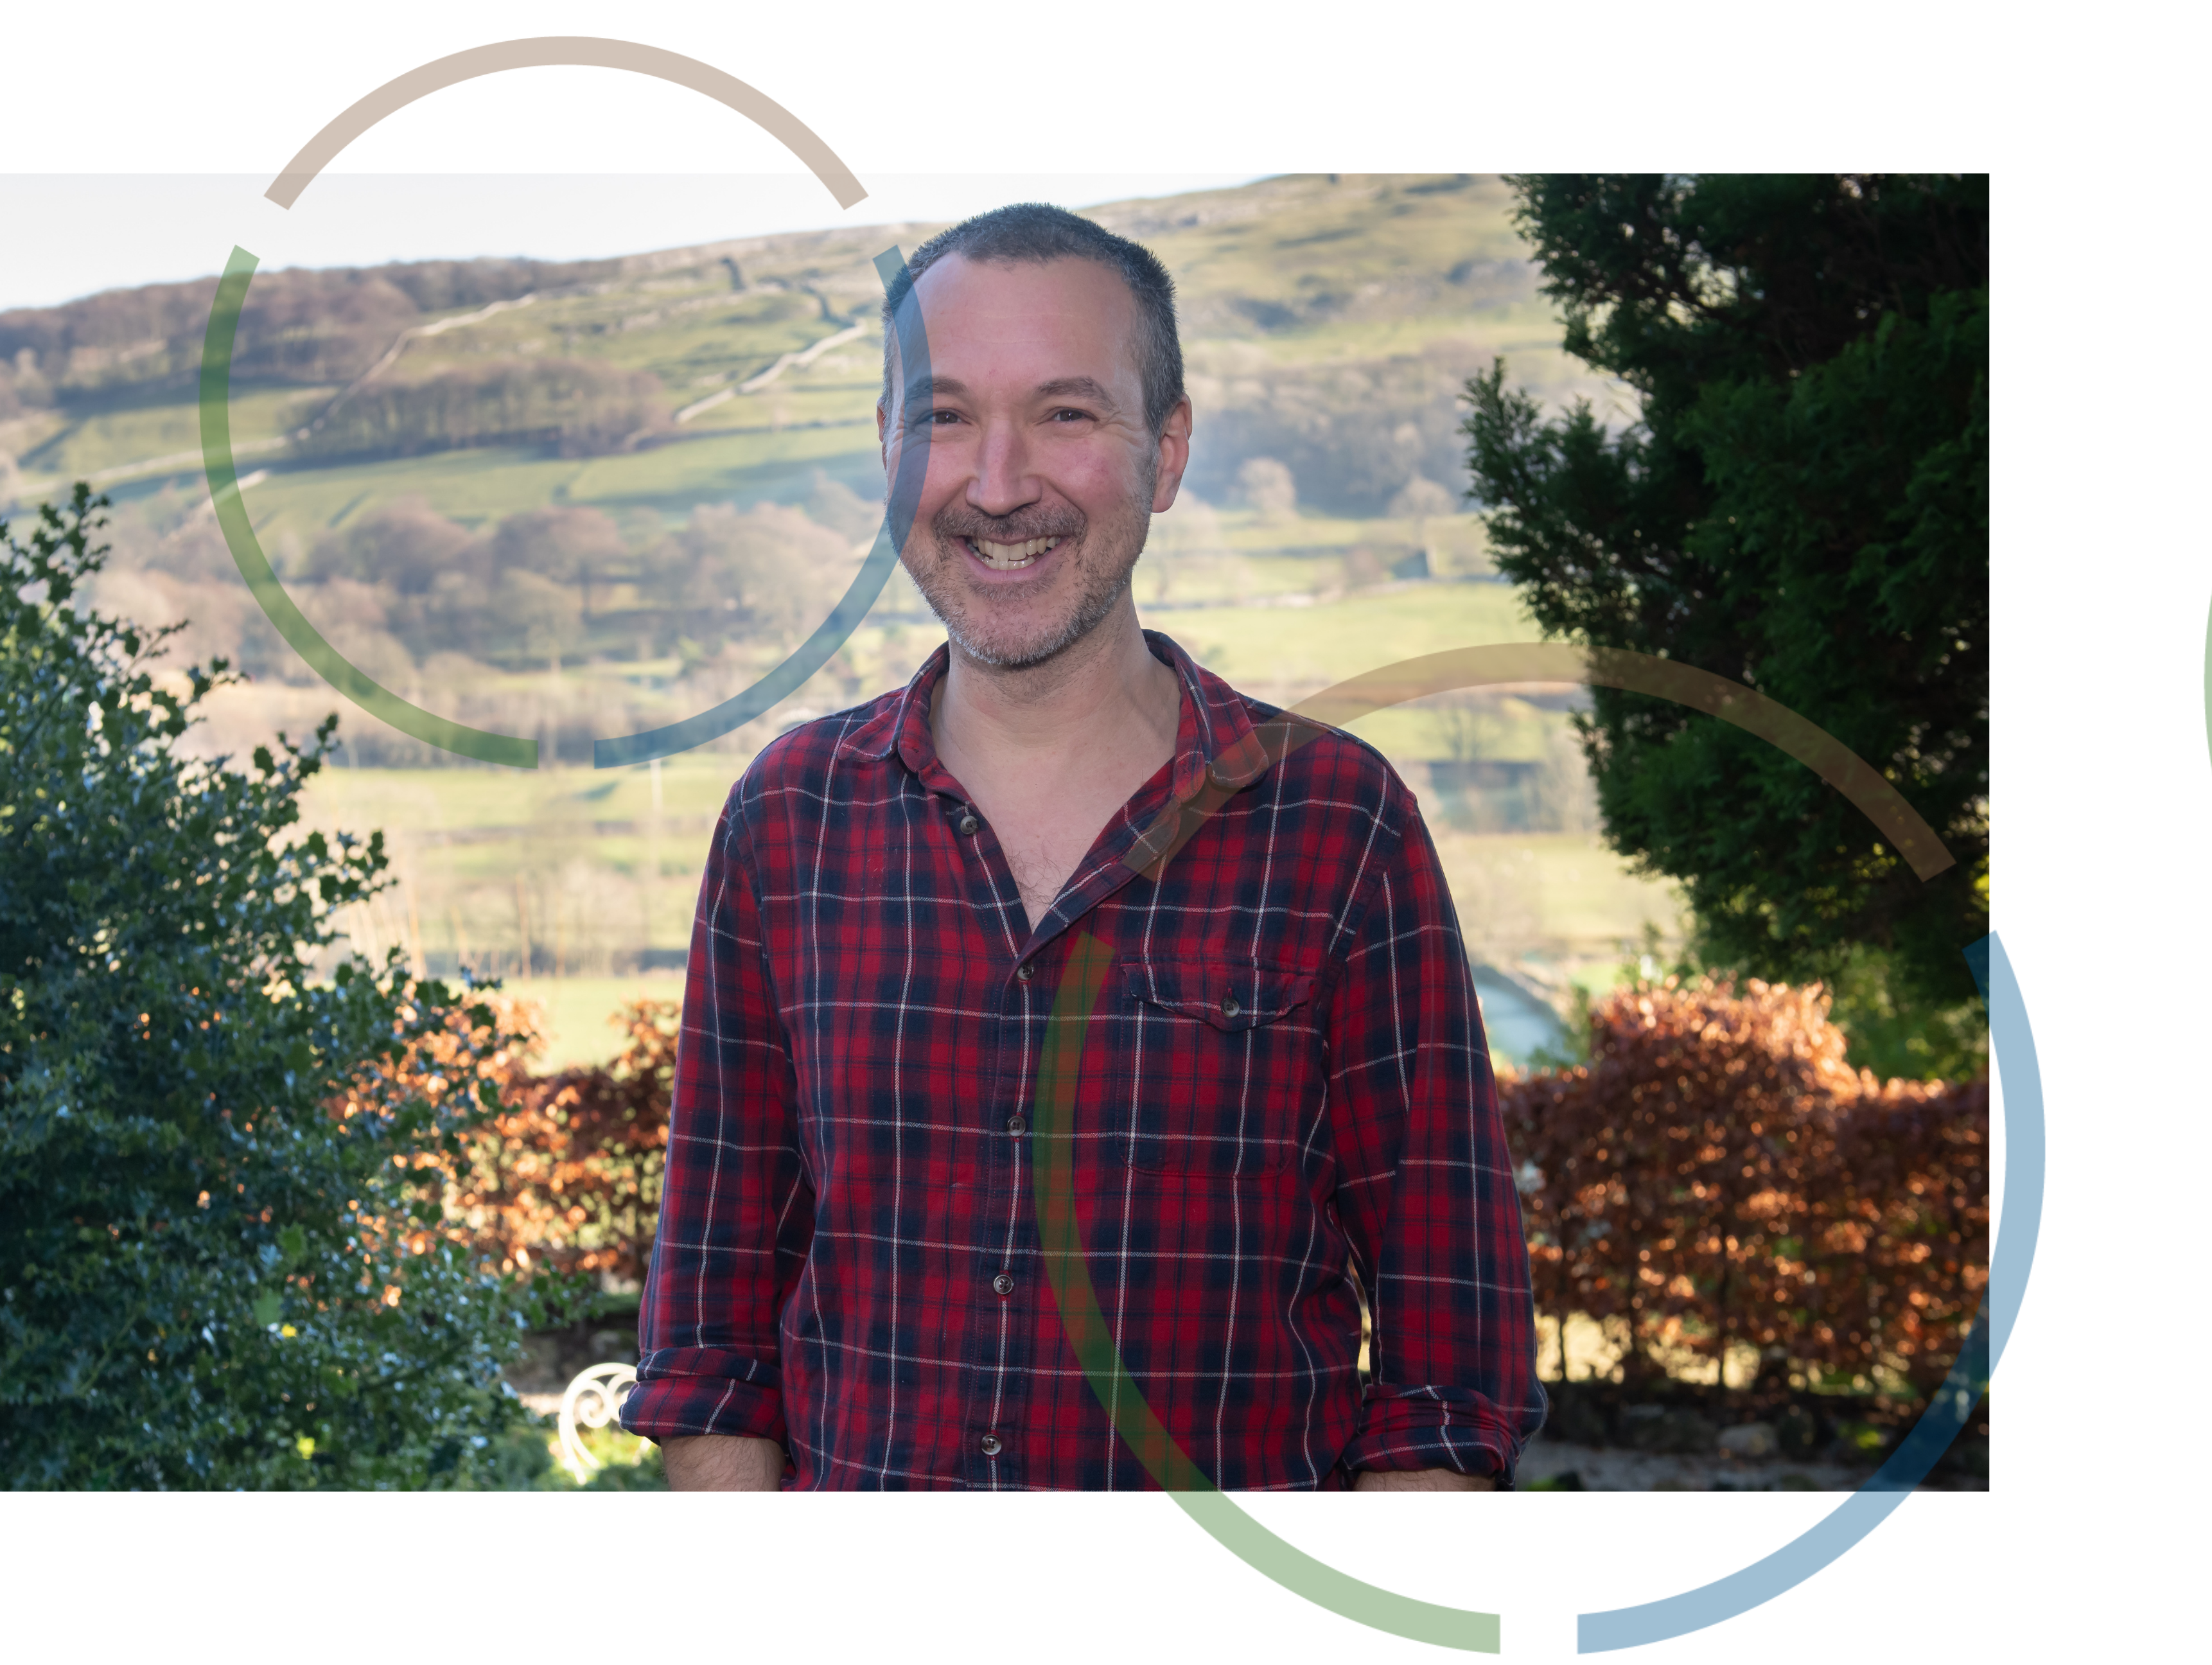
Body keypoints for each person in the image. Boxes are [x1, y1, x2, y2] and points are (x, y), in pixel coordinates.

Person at [626, 204, 1541, 1490]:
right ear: (886, 449)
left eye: (1066, 414)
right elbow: (712, 1346)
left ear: (1166, 452)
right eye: (945, 419)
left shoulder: (1336, 825)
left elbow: (1454, 1376)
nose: (998, 485)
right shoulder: (789, 822)